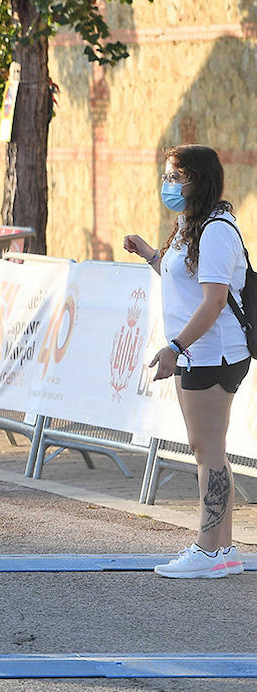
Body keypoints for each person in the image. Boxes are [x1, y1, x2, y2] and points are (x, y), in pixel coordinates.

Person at [123, 144, 247, 579]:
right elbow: (187, 282)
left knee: (205, 449)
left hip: (212, 354)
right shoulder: (190, 226)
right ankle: (225, 549)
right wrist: (150, 255)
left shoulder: (215, 230)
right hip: (201, 352)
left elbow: (213, 302)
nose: (168, 185)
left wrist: (174, 347)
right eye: (167, 176)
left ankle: (208, 550)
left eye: (176, 177)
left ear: (198, 180)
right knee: (211, 447)